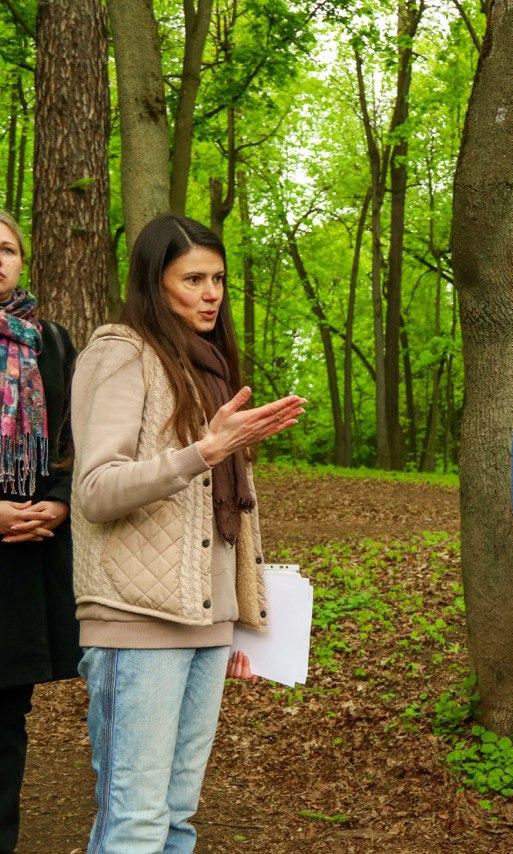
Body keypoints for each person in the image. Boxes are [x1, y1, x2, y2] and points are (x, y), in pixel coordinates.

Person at [70, 214, 304, 852]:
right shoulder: (121, 354)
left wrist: (237, 616)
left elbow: (221, 517)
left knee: (177, 819)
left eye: (219, 279)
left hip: (203, 620)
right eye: (193, 278)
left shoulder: (211, 368)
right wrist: (202, 452)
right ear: (155, 282)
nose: (211, 293)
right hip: (135, 621)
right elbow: (95, 491)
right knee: (137, 821)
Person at [0, 210, 79, 854]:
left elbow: (80, 440)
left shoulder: (51, 341)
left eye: (7, 249)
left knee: (5, 719)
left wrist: (57, 501)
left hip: (25, 553)